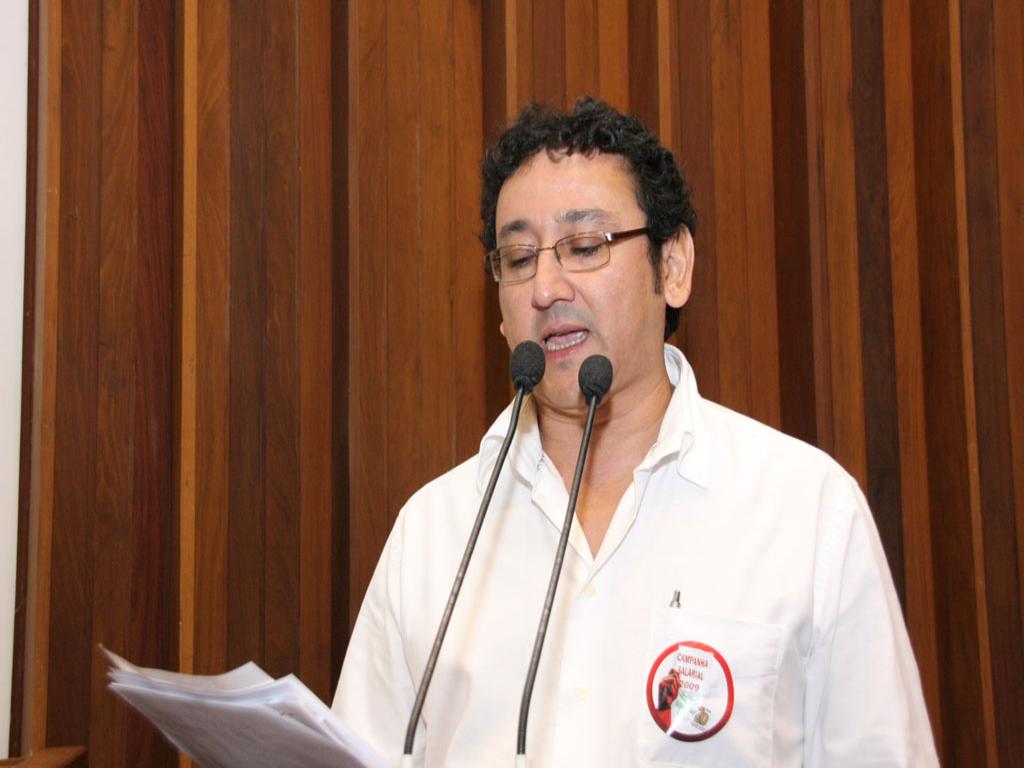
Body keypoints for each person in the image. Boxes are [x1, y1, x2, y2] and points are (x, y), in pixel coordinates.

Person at [332, 97, 938, 767]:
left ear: (672, 267)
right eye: (519, 257)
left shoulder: (807, 511)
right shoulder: (432, 534)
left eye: (585, 247)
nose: (545, 288)